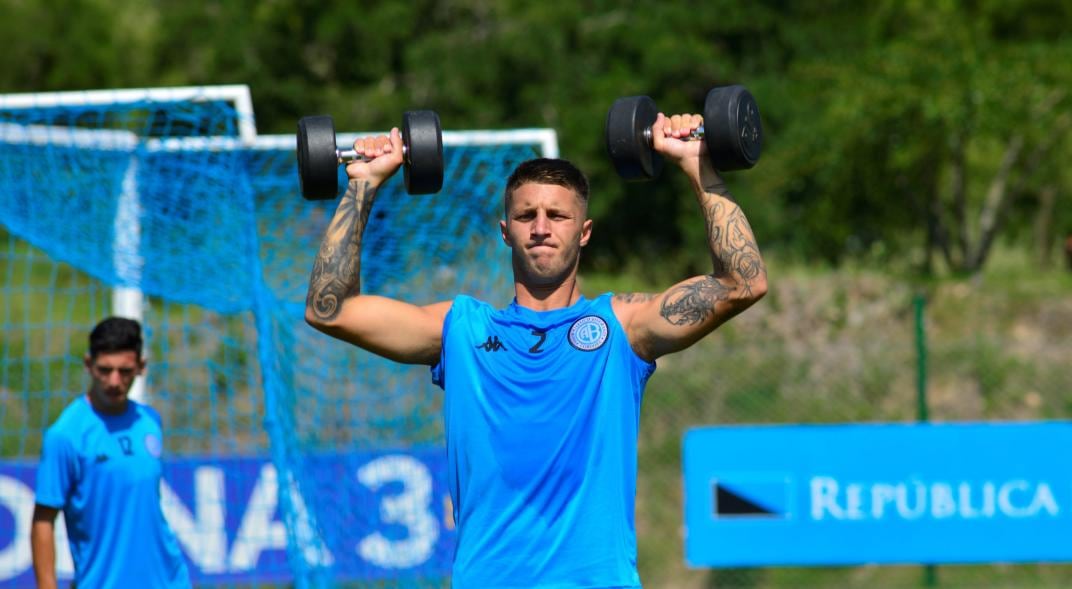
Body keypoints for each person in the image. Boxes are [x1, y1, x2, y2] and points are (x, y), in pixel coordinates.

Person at [305, 112, 767, 587]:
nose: (541, 227)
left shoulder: (620, 328)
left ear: (583, 232)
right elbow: (330, 309)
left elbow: (743, 282)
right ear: (506, 232)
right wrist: (361, 184)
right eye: (527, 215)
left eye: (558, 215)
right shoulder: (460, 330)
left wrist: (697, 164)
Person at [31, 317, 190, 589]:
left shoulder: (150, 421)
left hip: (170, 580)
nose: (114, 381)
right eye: (105, 370)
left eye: (124, 371)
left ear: (141, 367)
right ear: (88, 365)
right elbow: (43, 522)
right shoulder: (65, 435)